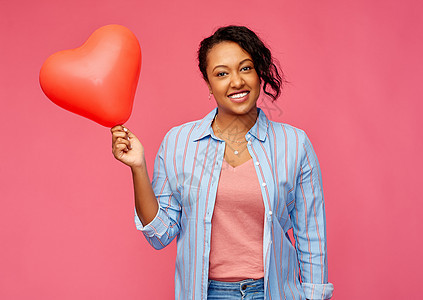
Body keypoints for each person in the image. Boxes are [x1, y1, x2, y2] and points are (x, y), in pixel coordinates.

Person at [111, 25, 333, 300]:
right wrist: (138, 167)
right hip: (206, 293)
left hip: (274, 292)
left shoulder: (294, 144)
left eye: (245, 68)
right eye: (222, 74)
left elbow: (310, 234)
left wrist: (315, 296)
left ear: (259, 73)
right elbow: (160, 235)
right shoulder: (179, 143)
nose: (236, 82)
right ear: (208, 84)